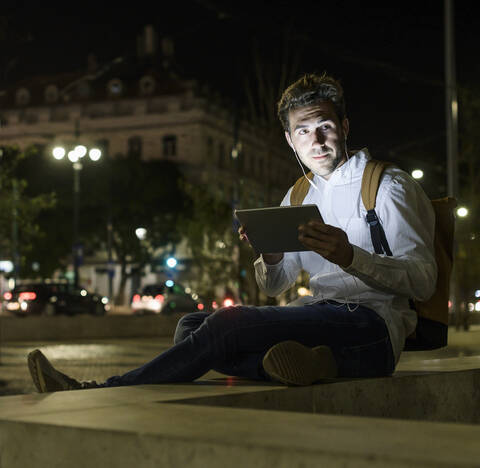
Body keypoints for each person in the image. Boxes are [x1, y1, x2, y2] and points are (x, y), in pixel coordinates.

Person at [27, 72, 437, 392]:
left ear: (344, 126)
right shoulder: (298, 194)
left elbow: (423, 280)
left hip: (373, 329)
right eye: (303, 131)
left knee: (227, 326)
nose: (316, 140)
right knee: (190, 325)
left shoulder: (387, 185)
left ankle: (100, 389)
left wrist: (351, 257)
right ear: (289, 139)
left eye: (325, 125)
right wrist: (271, 255)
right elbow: (276, 286)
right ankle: (312, 363)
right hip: (320, 317)